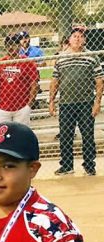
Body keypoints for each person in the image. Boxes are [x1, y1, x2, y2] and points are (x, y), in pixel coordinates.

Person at [49, 26, 103, 176]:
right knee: (66, 135)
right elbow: (55, 80)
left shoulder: (92, 56)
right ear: (69, 40)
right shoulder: (61, 57)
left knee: (87, 135)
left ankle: (89, 166)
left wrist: (97, 102)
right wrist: (51, 101)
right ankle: (66, 165)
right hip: (66, 103)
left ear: (85, 40)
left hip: (86, 102)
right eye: (75, 36)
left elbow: (99, 81)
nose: (78, 38)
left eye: (81, 36)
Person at [0, 34, 39, 126]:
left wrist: (29, 105)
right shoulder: (0, 63)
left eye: (13, 44)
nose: (11, 47)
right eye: (8, 45)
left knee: (21, 136)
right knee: (1, 137)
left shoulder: (27, 62)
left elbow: (34, 84)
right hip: (3, 108)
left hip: (21, 107)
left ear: (19, 46)